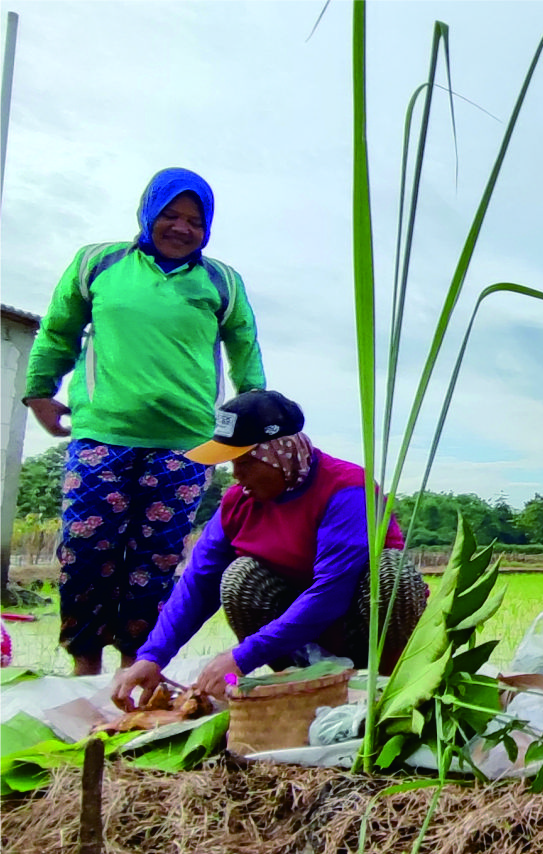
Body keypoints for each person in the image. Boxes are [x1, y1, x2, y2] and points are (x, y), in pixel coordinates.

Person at [23, 167, 265, 676]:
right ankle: (84, 668)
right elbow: (57, 330)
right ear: (148, 214)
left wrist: (256, 418)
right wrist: (40, 393)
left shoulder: (220, 281)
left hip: (189, 443)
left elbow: (245, 350)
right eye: (170, 216)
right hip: (102, 435)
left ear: (208, 227)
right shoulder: (99, 263)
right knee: (86, 553)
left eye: (195, 221)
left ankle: (137, 670)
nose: (181, 228)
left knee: (155, 564)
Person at [110, 390, 428, 708]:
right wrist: (151, 657)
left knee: (391, 573)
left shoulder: (347, 491)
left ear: (280, 454)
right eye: (232, 462)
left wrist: (242, 656)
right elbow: (198, 583)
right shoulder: (239, 501)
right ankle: (297, 688)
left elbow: (331, 595)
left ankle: (388, 693)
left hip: (363, 631)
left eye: (246, 461)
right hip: (299, 642)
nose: (236, 474)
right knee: (240, 578)